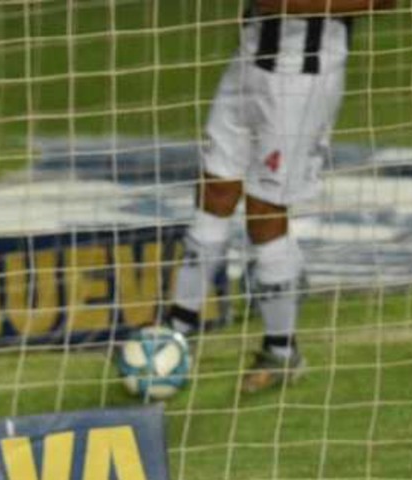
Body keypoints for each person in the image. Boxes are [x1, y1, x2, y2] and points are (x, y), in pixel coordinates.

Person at [165, 0, 394, 393]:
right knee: (215, 189)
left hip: (301, 80)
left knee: (264, 208)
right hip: (248, 61)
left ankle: (282, 350)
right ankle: (176, 331)